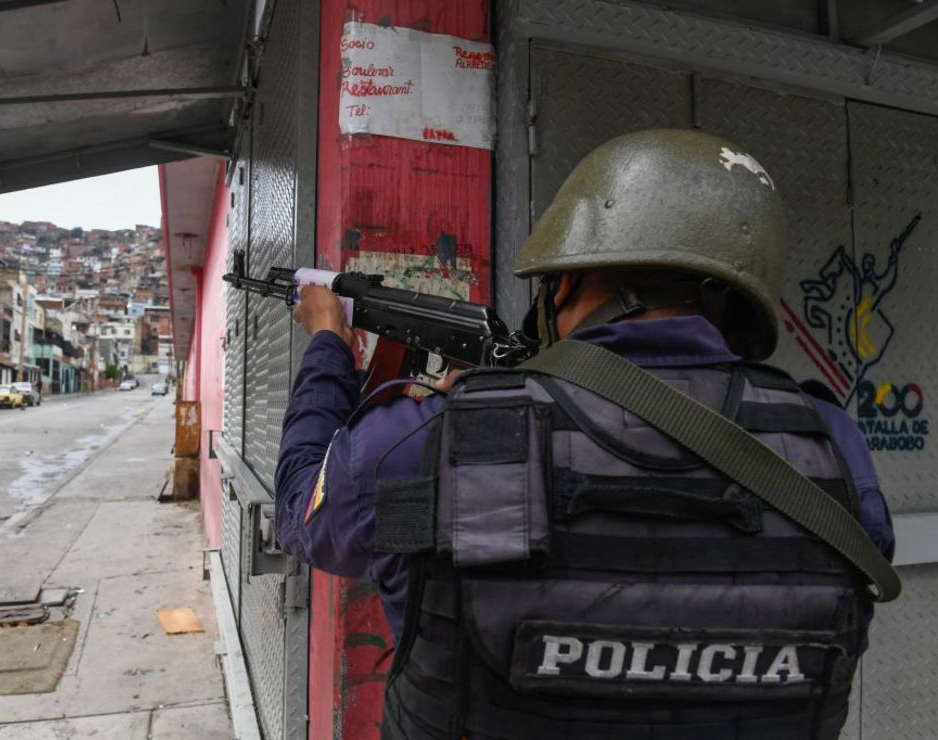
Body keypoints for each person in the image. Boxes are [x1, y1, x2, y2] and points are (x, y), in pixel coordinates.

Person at [274, 130, 895, 738]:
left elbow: (304, 513)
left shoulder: (432, 439)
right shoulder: (832, 443)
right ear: (738, 305)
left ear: (566, 280)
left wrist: (330, 345)